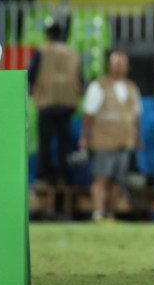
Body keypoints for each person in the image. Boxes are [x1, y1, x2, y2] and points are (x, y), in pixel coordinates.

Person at [80, 51, 142, 223]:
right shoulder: (98, 86)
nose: (119, 66)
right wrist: (85, 137)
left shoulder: (132, 87)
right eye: (116, 62)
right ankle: (98, 212)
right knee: (101, 178)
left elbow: (135, 115)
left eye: (123, 62)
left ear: (128, 67)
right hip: (103, 141)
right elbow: (88, 114)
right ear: (109, 65)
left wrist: (137, 137)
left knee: (117, 181)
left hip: (125, 141)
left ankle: (110, 214)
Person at [28, 22, 83, 187]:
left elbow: (31, 74)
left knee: (45, 142)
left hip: (46, 102)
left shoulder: (42, 50)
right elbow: (81, 79)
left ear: (48, 34)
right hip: (67, 103)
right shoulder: (73, 53)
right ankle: (64, 178)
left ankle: (43, 177)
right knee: (64, 144)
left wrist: (33, 89)